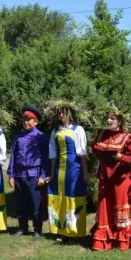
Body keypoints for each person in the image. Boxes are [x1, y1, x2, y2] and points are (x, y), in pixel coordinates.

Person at [90, 106, 131, 251]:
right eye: (107, 118)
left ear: (119, 121)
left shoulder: (127, 137)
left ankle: (122, 240)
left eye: (112, 118)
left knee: (120, 205)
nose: (108, 120)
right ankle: (104, 239)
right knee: (105, 206)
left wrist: (121, 157)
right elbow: (95, 149)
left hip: (121, 177)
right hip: (106, 176)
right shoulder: (101, 134)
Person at [47, 100, 89, 241]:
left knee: (73, 196)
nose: (61, 116)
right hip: (59, 169)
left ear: (69, 114)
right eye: (59, 113)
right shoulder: (55, 131)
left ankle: (73, 231)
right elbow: (52, 153)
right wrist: (52, 173)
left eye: (63, 113)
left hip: (73, 169)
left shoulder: (78, 130)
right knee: (60, 197)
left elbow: (82, 153)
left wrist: (84, 173)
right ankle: (60, 229)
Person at [8, 104, 50, 238]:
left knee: (35, 202)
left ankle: (37, 229)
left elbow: (46, 158)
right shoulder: (18, 136)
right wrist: (11, 174)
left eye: (29, 119)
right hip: (19, 174)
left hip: (34, 174)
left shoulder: (41, 137)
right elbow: (13, 156)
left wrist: (43, 175)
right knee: (21, 202)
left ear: (36, 121)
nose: (26, 122)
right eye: (24, 119)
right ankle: (22, 227)